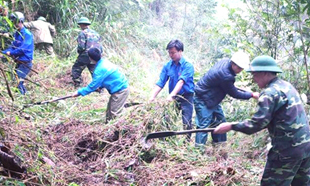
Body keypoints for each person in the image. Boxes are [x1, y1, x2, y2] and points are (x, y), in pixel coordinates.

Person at [214, 55, 310, 186]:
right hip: (305, 147)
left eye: (254, 75)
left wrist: (231, 125)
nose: (253, 79)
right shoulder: (287, 86)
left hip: (286, 150)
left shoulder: (270, 93)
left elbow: (256, 124)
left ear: (265, 73)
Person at [194, 51, 259, 147]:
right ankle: (198, 150)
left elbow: (227, 85)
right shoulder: (226, 76)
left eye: (242, 68)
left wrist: (247, 92)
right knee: (203, 126)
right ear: (233, 63)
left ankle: (219, 147)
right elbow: (234, 93)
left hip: (213, 98)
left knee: (220, 122)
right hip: (203, 98)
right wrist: (252, 95)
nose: (240, 70)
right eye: (239, 68)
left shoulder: (226, 62)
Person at [150, 39, 194, 141]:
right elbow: (161, 82)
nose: (171, 55)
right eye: (169, 52)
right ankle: (167, 141)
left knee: (186, 122)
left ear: (180, 51)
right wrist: (152, 97)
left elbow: (181, 81)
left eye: (173, 52)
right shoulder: (167, 66)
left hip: (186, 97)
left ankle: (186, 143)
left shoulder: (188, 66)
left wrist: (171, 95)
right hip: (174, 98)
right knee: (167, 119)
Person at [70, 47, 129, 123]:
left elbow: (92, 86)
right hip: (119, 88)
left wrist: (79, 92)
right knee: (109, 111)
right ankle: (108, 128)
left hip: (121, 91)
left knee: (115, 113)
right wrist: (100, 87)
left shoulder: (99, 70)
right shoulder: (104, 62)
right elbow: (107, 78)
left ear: (90, 58)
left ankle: (120, 130)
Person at [0, 12, 34, 95]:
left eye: (17, 22)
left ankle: (22, 98)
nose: (15, 24)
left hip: (25, 62)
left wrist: (10, 53)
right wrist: (3, 53)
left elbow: (22, 49)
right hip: (18, 62)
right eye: (14, 22)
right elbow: (13, 47)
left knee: (17, 82)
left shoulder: (27, 34)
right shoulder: (16, 33)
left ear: (21, 21)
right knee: (18, 81)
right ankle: (24, 95)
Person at [71, 16, 103, 88]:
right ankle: (100, 87)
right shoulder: (96, 33)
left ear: (82, 25)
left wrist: (80, 54)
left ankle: (78, 85)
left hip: (86, 54)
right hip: (96, 55)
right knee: (95, 71)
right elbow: (100, 46)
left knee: (76, 69)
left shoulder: (83, 33)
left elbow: (81, 47)